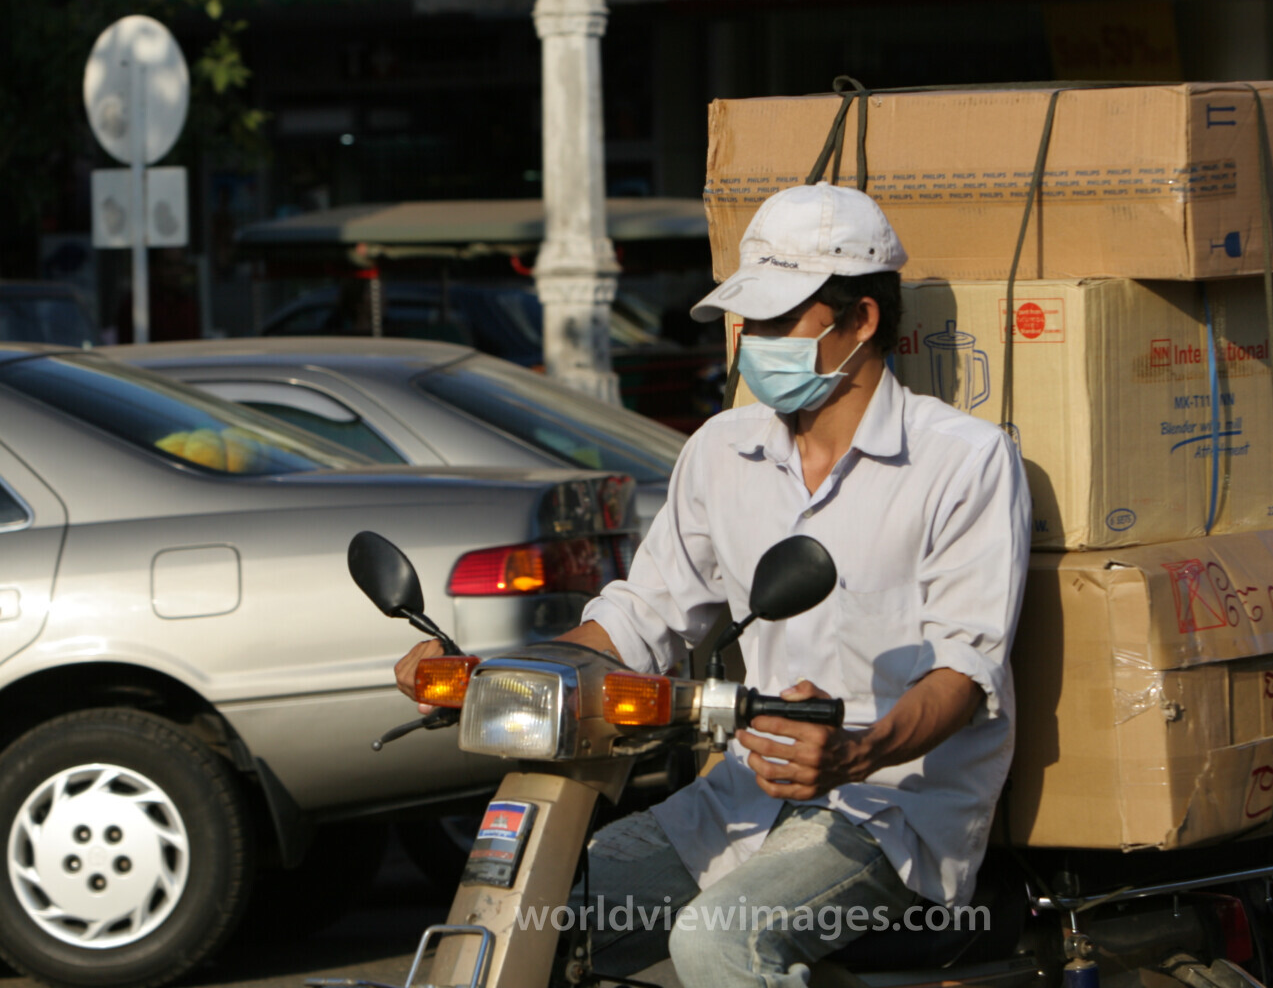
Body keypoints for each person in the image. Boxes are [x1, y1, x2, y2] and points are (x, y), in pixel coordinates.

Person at [397, 182, 1032, 987]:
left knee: (718, 943)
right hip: (739, 792)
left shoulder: (964, 460)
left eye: (775, 321)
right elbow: (640, 616)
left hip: (895, 806)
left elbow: (964, 673)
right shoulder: (721, 450)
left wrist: (855, 752)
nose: (750, 342)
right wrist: (486, 677)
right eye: (746, 320)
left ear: (861, 320)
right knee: (519, 916)